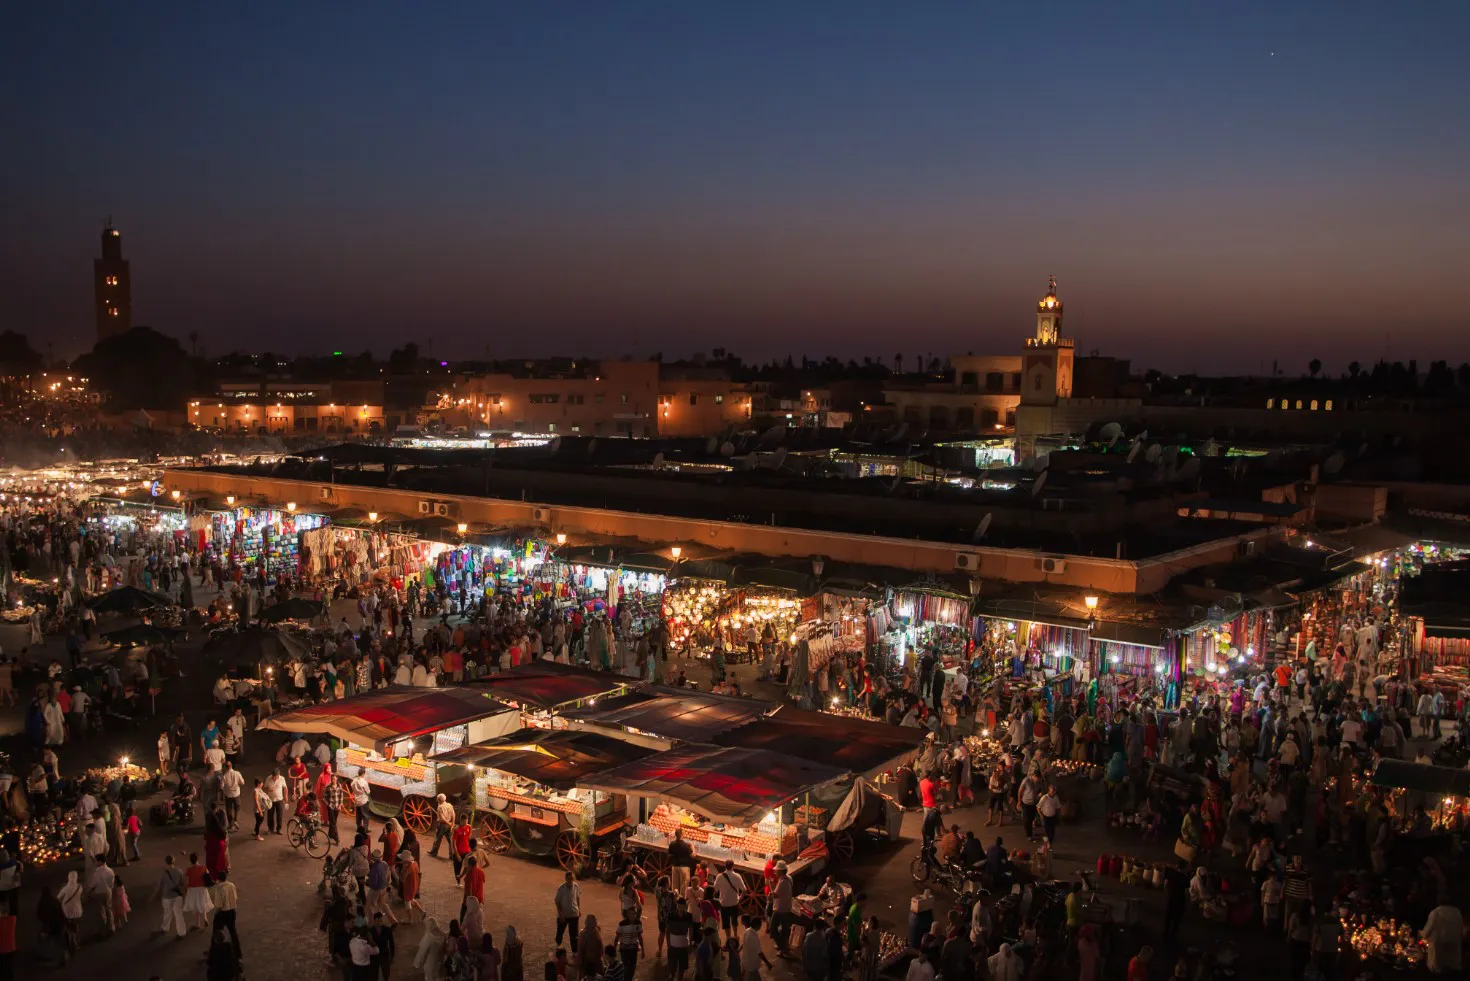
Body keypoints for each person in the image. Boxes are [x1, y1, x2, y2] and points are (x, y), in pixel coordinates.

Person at [1423, 900, 1464, 975]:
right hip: (1454, 947)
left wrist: (1423, 935)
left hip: (1438, 948)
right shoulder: (1457, 912)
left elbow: (1427, 931)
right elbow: (1461, 930)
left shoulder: (1436, 913)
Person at [157, 853, 188, 938]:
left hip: (167, 896)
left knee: (167, 912)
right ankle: (182, 932)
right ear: (174, 861)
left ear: (165, 862)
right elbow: (183, 883)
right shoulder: (179, 871)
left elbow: (160, 884)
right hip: (177, 895)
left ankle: (165, 928)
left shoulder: (164, 872)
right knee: (178, 914)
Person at [714, 860, 745, 940]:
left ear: (725, 866)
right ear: (733, 866)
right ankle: (735, 935)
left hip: (724, 903)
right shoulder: (737, 876)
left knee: (726, 922)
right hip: (734, 902)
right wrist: (740, 899)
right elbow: (744, 890)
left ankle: (728, 938)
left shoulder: (719, 876)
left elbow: (715, 890)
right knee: (734, 920)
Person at [554, 870, 581, 953]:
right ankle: (558, 946)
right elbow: (557, 901)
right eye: (569, 879)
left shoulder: (576, 886)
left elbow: (577, 898)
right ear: (566, 879)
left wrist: (579, 909)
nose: (570, 881)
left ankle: (574, 952)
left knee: (574, 935)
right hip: (564, 915)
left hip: (574, 914)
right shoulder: (561, 888)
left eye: (572, 879)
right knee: (560, 932)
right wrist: (561, 914)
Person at [57, 871, 84, 951]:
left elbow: (58, 897)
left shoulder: (65, 888)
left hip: (67, 911)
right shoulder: (80, 887)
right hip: (77, 911)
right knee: (76, 927)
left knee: (68, 927)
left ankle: (70, 942)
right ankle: (76, 942)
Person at [616, 906, 645, 978]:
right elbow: (617, 937)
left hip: (633, 949)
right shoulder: (622, 924)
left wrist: (643, 950)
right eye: (631, 914)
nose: (633, 915)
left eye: (634, 914)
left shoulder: (638, 923)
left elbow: (640, 937)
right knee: (626, 966)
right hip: (624, 949)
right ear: (627, 914)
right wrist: (614, 947)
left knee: (632, 966)